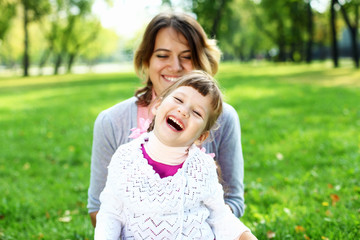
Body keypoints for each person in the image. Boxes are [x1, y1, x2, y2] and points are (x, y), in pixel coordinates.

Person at [87, 11, 246, 227]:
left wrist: (190, 227)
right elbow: (98, 209)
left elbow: (233, 201)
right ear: (147, 60)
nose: (175, 66)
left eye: (187, 56)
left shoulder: (225, 118)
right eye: (162, 55)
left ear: (201, 61)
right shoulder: (111, 121)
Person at [94, 71, 257, 240]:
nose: (183, 111)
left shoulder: (202, 167)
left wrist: (244, 236)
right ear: (157, 105)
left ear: (201, 136)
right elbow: (111, 214)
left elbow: (219, 216)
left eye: (197, 113)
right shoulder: (125, 158)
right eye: (178, 100)